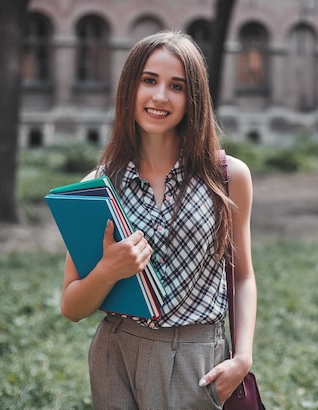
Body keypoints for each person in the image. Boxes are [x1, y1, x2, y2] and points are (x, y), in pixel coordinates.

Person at [59, 30, 257, 410]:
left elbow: (243, 274)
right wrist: (107, 271)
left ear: (193, 98)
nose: (160, 96)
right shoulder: (98, 187)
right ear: (130, 87)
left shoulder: (228, 177)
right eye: (149, 80)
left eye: (177, 86)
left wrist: (243, 357)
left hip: (198, 357)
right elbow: (71, 306)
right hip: (116, 353)